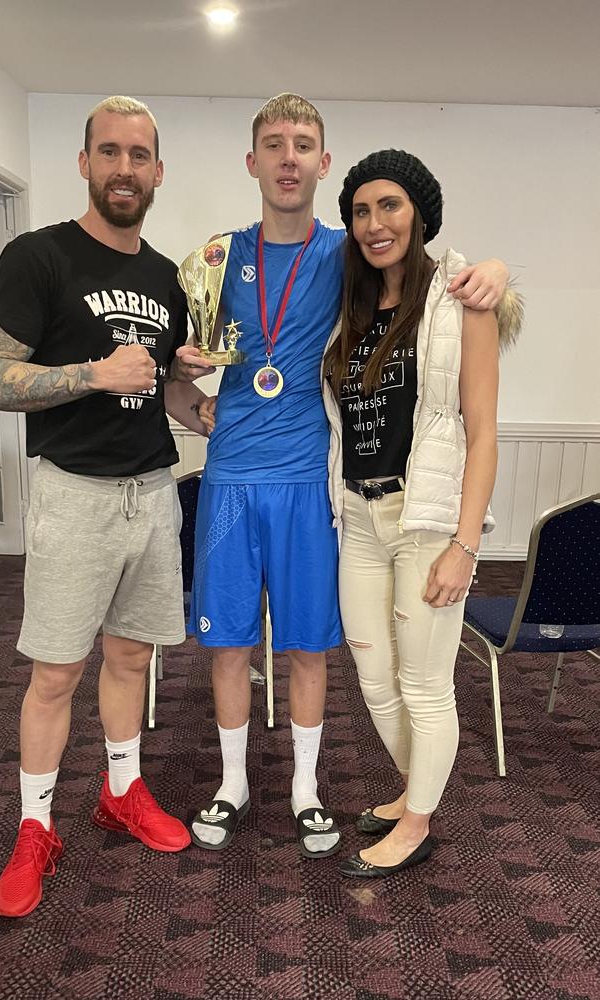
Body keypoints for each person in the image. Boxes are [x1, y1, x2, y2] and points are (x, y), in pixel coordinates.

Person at [187, 94, 510, 858]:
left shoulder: (345, 254)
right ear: (253, 161)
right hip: (241, 479)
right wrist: (184, 392)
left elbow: (449, 282)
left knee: (312, 648)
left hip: (312, 484)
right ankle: (234, 785)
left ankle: (307, 791)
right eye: (274, 143)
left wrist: (499, 273)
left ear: (321, 161)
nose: (289, 156)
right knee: (234, 645)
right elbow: (187, 371)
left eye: (304, 144)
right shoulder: (214, 259)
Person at [0, 95, 209, 917]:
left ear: (157, 173)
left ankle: (121, 791)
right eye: (108, 152)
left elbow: (166, 392)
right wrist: (91, 374)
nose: (123, 169)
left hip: (153, 489)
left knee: (131, 660)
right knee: (55, 672)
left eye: (138, 156)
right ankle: (34, 827)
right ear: (84, 163)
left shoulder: (168, 277)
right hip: (72, 494)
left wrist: (210, 404)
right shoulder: (39, 257)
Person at [322, 149, 519, 879]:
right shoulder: (346, 309)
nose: (375, 223)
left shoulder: (461, 300)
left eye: (390, 205)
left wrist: (465, 545)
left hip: (427, 519)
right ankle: (416, 792)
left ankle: (418, 822)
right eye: (361, 210)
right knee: (374, 678)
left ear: (420, 214)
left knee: (425, 683)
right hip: (358, 515)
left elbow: (483, 431)